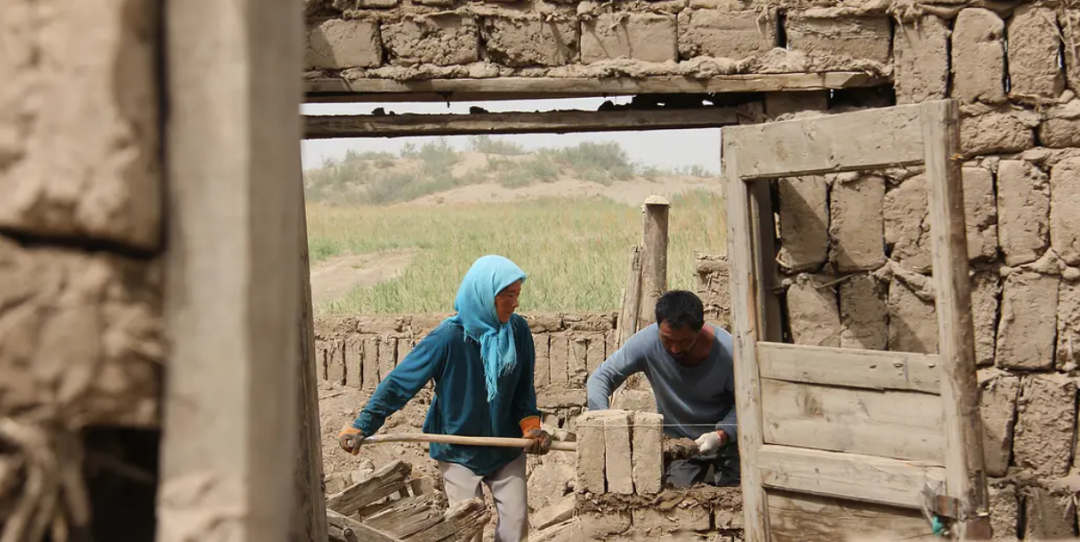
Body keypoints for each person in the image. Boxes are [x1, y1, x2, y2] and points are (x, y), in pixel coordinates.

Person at [337, 255, 551, 542]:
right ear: (485, 296)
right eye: (508, 295)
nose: (515, 304)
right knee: (467, 531)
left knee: (515, 527)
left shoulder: (517, 332)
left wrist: (531, 430)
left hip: (505, 446)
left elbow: (524, 390)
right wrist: (362, 425)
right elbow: (400, 384)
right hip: (457, 449)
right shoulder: (448, 339)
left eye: (517, 295)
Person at [586, 290, 739, 488]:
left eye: (684, 342)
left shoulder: (729, 353)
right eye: (667, 340)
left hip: (730, 443)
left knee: (737, 499)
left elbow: (748, 405)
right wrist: (602, 423)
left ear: (700, 328)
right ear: (658, 327)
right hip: (681, 446)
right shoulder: (647, 343)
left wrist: (720, 435)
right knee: (678, 501)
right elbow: (600, 378)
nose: (675, 349)